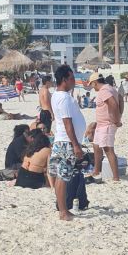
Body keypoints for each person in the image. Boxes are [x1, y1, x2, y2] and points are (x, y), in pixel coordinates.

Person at [48, 65, 86, 221]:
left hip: (61, 141)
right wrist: (76, 145)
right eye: (71, 78)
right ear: (64, 79)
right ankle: (63, 211)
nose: (73, 81)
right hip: (66, 143)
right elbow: (67, 123)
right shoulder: (63, 97)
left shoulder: (57, 95)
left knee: (60, 176)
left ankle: (61, 208)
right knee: (63, 177)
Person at [88, 72, 122, 183]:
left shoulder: (103, 91)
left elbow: (113, 103)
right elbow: (120, 100)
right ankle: (97, 171)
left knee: (108, 149)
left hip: (107, 125)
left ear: (94, 83)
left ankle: (116, 177)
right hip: (102, 124)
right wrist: (119, 115)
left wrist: (116, 120)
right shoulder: (111, 88)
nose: (92, 87)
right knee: (96, 146)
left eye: (91, 84)